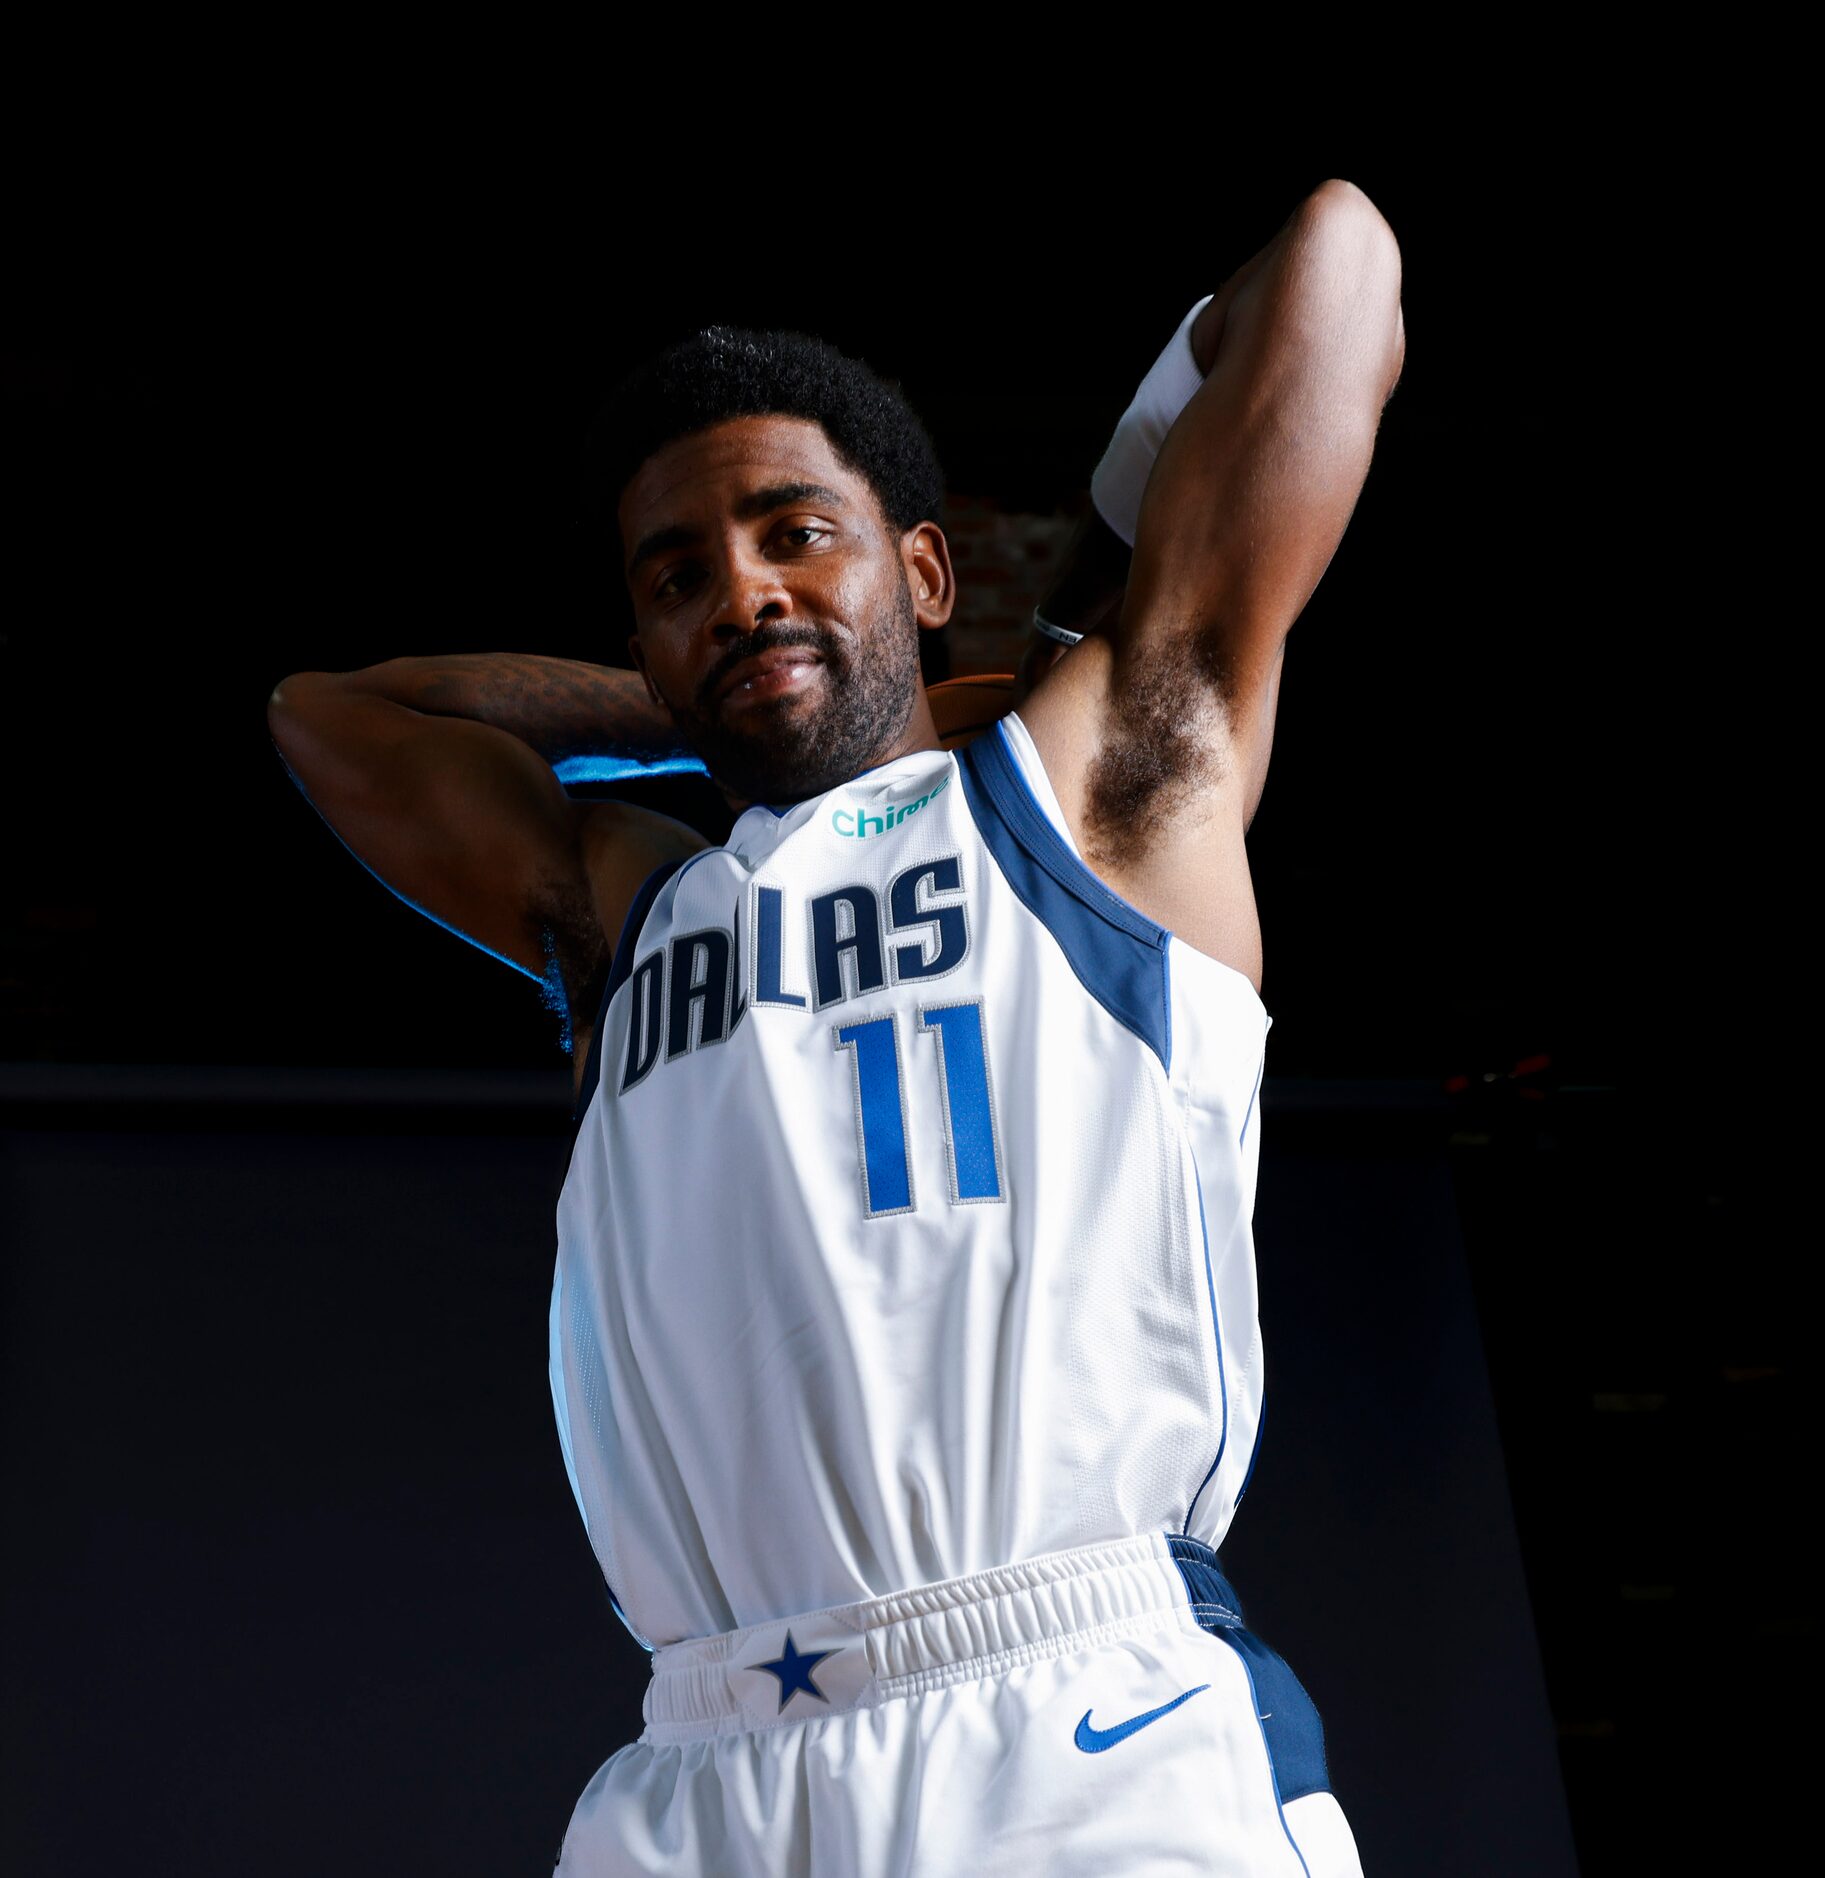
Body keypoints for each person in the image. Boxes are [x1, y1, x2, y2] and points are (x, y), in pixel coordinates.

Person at [266, 179, 1405, 1876]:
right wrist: (699, 706)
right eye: (681, 578)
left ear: (925, 567)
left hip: (1079, 1712)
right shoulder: (625, 899)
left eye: (795, 533)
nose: (740, 590)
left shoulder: (1096, 784)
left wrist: (976, 670)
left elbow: (1338, 256)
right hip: (703, 1758)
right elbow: (334, 716)